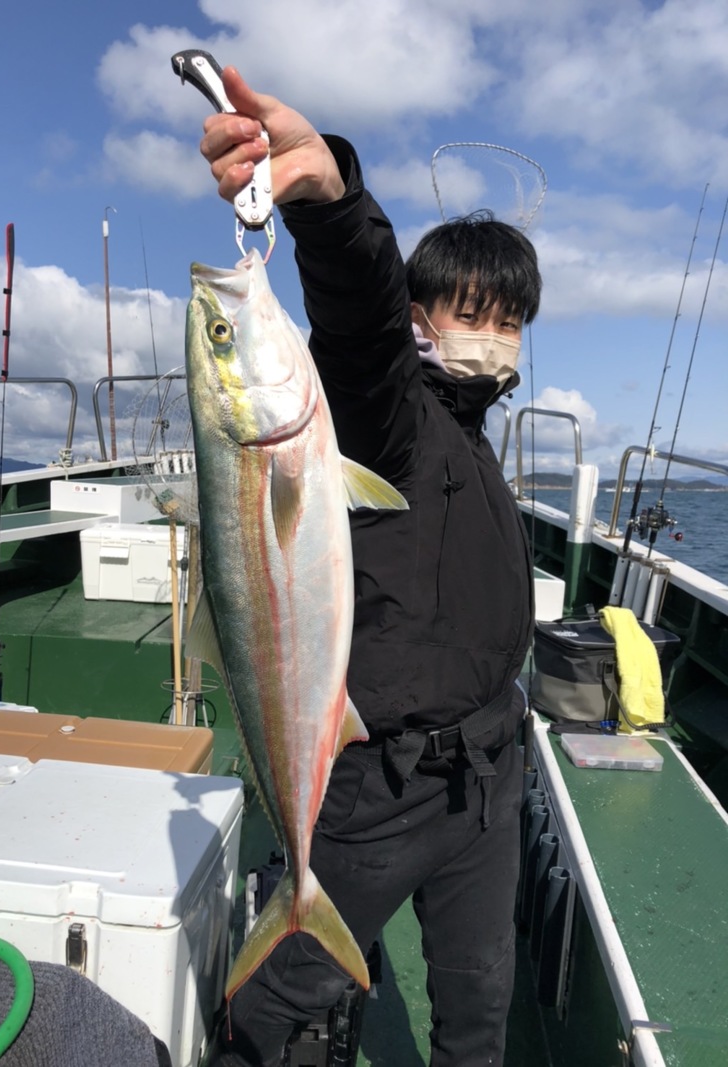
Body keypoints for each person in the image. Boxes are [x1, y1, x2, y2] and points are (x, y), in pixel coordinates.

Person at [199, 68, 542, 1067]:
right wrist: (329, 200)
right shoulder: (385, 420)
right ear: (419, 314)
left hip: (485, 780)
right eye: (470, 310)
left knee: (478, 1014)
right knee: (279, 1015)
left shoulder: (475, 439)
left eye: (509, 317)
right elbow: (356, 330)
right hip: (371, 785)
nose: (493, 336)